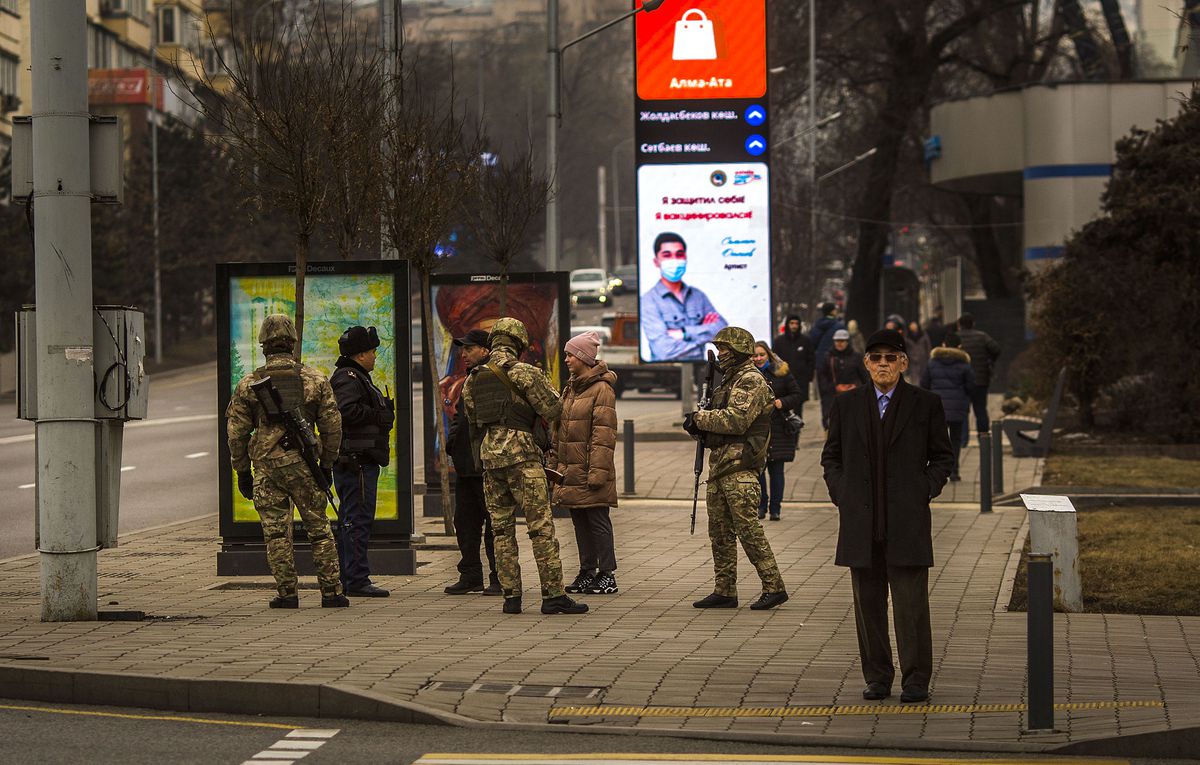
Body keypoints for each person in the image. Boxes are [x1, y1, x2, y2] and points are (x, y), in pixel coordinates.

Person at [820, 329, 955, 704]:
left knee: (911, 607)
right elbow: (832, 457)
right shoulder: (846, 405)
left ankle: (916, 679)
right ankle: (877, 677)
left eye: (891, 358)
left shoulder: (925, 403)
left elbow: (942, 456)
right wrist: (841, 493)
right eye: (876, 358)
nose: (883, 364)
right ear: (866, 363)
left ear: (903, 363)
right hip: (861, 522)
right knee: (868, 606)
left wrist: (924, 489)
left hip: (906, 521)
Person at [462, 317, 587, 615]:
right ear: (518, 343)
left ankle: (511, 597)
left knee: (501, 530)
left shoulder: (473, 378)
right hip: (523, 459)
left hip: (491, 461)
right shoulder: (525, 372)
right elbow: (553, 409)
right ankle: (553, 595)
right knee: (540, 527)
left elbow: (472, 416)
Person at [226, 314, 348, 609]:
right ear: (292, 343)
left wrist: (242, 471)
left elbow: (236, 433)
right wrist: (327, 465)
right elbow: (332, 427)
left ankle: (287, 594)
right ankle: (332, 593)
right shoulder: (315, 379)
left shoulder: (249, 384)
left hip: (266, 469)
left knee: (277, 534)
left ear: (264, 346)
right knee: (319, 530)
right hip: (305, 466)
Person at [683, 326, 788, 611]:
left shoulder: (750, 380)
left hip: (741, 467)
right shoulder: (728, 381)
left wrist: (700, 418)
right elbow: (718, 425)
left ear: (739, 351)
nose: (720, 354)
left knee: (748, 530)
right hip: (721, 466)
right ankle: (725, 589)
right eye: (718, 349)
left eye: (724, 349)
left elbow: (736, 420)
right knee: (720, 533)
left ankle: (774, 586)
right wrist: (699, 427)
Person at [549, 331, 620, 596]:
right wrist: (554, 465)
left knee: (598, 521)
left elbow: (603, 436)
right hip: (570, 471)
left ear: (583, 357)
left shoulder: (602, 389)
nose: (566, 359)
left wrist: (597, 473)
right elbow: (559, 432)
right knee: (580, 522)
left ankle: (607, 574)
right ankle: (587, 571)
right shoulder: (571, 388)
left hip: (591, 470)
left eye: (570, 355)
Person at [329, 325, 395, 598]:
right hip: (356, 463)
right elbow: (346, 411)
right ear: (360, 354)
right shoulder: (348, 378)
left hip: (358, 462)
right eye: (372, 351)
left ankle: (351, 577)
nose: (375, 356)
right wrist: (378, 414)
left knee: (352, 519)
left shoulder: (355, 377)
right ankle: (356, 579)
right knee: (357, 520)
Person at [443, 329, 500, 596]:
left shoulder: (492, 377)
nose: (463, 354)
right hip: (467, 465)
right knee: (465, 522)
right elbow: (460, 416)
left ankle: (499, 577)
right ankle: (470, 575)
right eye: (462, 349)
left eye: (469, 349)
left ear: (485, 350)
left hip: (487, 464)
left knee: (495, 524)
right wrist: (453, 442)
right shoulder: (470, 378)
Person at [640, 232, 727, 361]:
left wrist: (684, 333)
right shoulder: (648, 300)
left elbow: (723, 332)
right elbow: (664, 351)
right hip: (666, 370)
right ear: (656, 261)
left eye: (679, 254)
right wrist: (703, 338)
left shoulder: (698, 296)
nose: (674, 260)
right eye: (667, 255)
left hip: (700, 369)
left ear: (685, 258)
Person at [751, 341, 804, 521]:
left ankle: (775, 509)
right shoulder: (748, 375)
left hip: (779, 428)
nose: (758, 358)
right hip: (756, 429)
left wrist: (782, 402)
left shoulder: (781, 371)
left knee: (777, 471)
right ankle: (761, 506)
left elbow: (797, 394)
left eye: (762, 354)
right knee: (758, 471)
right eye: (755, 355)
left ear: (769, 355)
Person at [921, 331, 974, 481]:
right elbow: (971, 387)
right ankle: (954, 471)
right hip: (957, 408)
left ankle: (936, 471)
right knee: (955, 440)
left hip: (937, 408)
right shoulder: (964, 365)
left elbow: (924, 384)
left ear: (944, 344)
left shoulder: (932, 363)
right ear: (959, 346)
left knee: (936, 441)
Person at [956, 313, 1001, 442]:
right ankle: (983, 437)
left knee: (963, 410)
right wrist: (989, 360)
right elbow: (996, 349)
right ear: (973, 324)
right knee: (980, 409)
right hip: (981, 379)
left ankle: (963, 440)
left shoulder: (956, 337)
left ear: (959, 325)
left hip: (961, 381)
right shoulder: (983, 336)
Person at [817, 329, 869, 430]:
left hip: (854, 397)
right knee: (833, 427)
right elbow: (822, 377)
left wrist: (856, 387)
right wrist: (834, 387)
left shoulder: (856, 357)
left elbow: (864, 377)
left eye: (842, 341)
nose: (839, 343)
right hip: (833, 398)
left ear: (847, 342)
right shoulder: (828, 357)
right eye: (837, 341)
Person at [771, 315, 814, 420]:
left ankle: (797, 426)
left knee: (798, 406)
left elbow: (811, 359)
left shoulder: (805, 341)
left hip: (800, 379)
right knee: (783, 405)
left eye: (796, 323)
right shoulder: (779, 341)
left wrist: (809, 376)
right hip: (782, 380)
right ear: (787, 324)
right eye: (792, 323)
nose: (794, 326)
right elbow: (774, 359)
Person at [809, 302, 845, 370]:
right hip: (835, 362)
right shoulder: (840, 327)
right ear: (832, 311)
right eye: (835, 309)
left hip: (820, 361)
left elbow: (812, 344)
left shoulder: (816, 326)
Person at [904, 320, 932, 386]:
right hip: (912, 360)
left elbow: (928, 346)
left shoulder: (923, 334)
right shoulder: (907, 337)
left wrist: (929, 357)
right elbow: (905, 349)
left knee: (923, 377)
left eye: (914, 325)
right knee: (914, 379)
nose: (913, 326)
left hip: (923, 359)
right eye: (911, 325)